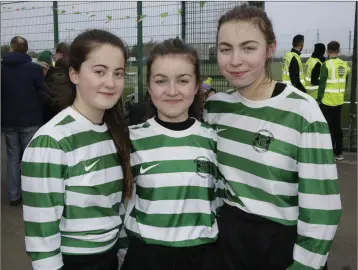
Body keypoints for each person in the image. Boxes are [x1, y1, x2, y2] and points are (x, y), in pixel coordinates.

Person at [204, 4, 341, 270]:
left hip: (281, 245)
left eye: (248, 47)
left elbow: (323, 207)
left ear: (269, 49)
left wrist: (305, 264)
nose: (234, 60)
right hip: (228, 242)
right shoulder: (215, 107)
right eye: (225, 49)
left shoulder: (302, 112)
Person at [21, 29, 133, 270]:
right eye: (100, 71)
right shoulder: (51, 142)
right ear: (74, 74)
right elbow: (41, 239)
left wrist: (122, 255)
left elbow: (117, 209)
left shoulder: (115, 132)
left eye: (119, 73)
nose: (111, 83)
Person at [122, 37, 224, 270]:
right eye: (161, 81)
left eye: (183, 80)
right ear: (148, 86)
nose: (172, 91)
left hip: (201, 255)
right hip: (146, 255)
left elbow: (219, 200)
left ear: (197, 86)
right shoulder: (131, 139)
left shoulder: (213, 138)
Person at [1, 36, 46, 206]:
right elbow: (43, 91)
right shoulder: (34, 69)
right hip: (31, 118)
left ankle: (14, 196)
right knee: (29, 157)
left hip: (8, 120)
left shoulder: (2, 69)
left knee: (12, 157)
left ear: (11, 48)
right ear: (26, 49)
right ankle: (31, 194)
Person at [317, 41, 351, 161]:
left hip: (327, 101)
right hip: (339, 101)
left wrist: (319, 99)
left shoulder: (326, 65)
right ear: (339, 50)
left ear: (327, 51)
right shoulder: (344, 64)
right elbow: (346, 80)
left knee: (328, 128)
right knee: (337, 127)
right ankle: (339, 153)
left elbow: (322, 85)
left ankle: (329, 152)